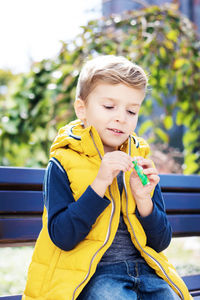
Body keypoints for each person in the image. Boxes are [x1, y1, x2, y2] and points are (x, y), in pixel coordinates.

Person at [23, 55, 191, 300]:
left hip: (145, 270)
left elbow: (160, 242)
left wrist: (145, 201)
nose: (121, 117)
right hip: (93, 274)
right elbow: (63, 236)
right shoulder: (63, 162)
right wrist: (100, 183)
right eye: (109, 107)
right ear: (82, 109)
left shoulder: (139, 160)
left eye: (131, 111)